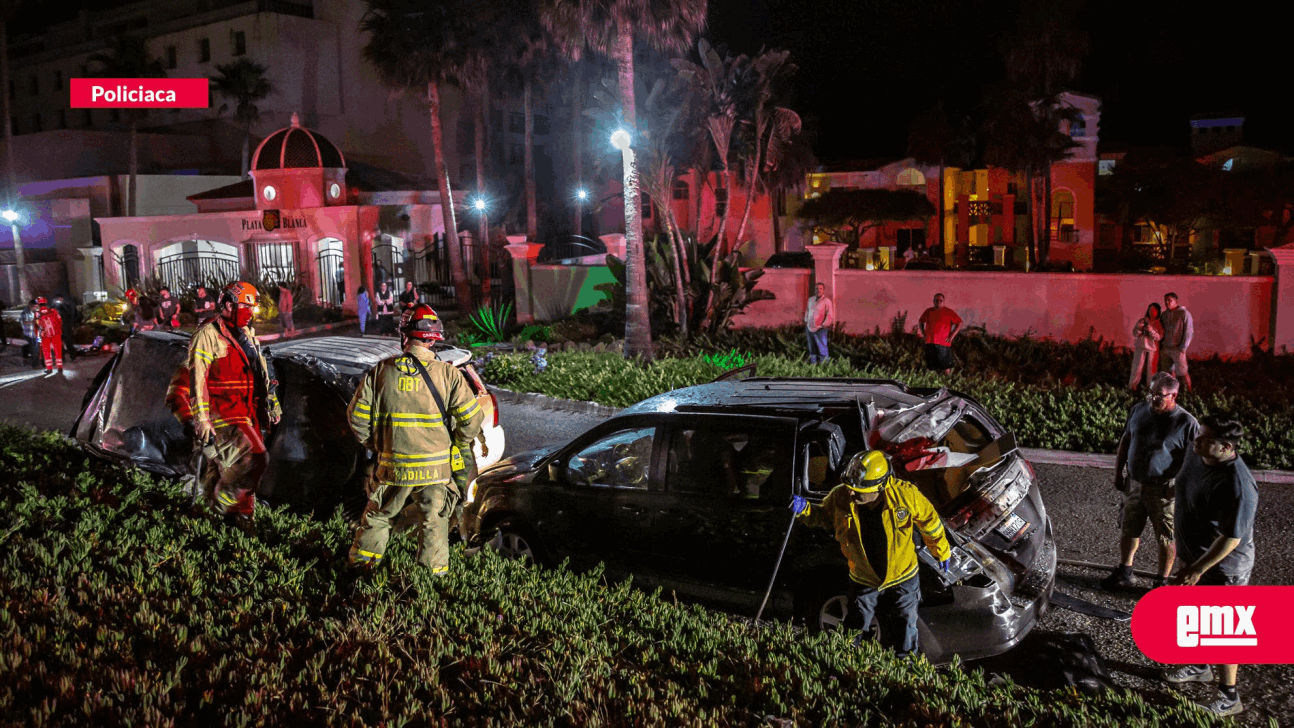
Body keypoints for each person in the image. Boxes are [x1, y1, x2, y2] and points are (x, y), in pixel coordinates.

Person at [346, 303, 484, 574]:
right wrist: (456, 442)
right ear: (434, 340)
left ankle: (360, 574)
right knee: (434, 523)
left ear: (404, 335)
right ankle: (430, 585)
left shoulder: (381, 372)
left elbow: (357, 419)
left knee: (378, 518)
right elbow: (472, 421)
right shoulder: (450, 375)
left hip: (393, 468)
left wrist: (377, 445)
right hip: (436, 470)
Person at [791, 450, 951, 657]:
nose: (852, 494)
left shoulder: (906, 496)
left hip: (903, 574)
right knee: (856, 620)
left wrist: (941, 551)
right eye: (850, 488)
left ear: (880, 487)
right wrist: (805, 510)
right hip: (863, 575)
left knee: (904, 621)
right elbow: (823, 517)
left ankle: (904, 663)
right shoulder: (841, 496)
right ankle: (848, 658)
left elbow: (930, 522)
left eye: (859, 490)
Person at [1160, 413, 1256, 717]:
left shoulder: (1238, 485)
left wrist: (1197, 568)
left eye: (1204, 439)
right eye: (1197, 435)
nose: (1195, 441)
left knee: (1225, 630)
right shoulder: (1198, 453)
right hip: (1195, 558)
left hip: (1223, 568)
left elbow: (1231, 539)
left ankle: (1229, 697)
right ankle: (1201, 666)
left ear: (1226, 447)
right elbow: (1186, 481)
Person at [187, 281, 282, 532]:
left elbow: (260, 373)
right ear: (228, 305)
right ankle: (221, 506)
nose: (250, 314)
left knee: (222, 469)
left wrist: (272, 406)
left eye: (252, 309)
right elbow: (197, 379)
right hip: (223, 413)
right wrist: (202, 419)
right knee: (256, 459)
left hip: (248, 411)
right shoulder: (207, 334)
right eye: (246, 308)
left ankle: (237, 520)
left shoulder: (247, 334)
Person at [1101, 372, 1199, 590]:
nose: (1153, 399)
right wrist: (1118, 472)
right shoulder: (1139, 410)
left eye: (1159, 396)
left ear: (1173, 396)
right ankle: (1125, 571)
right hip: (1134, 484)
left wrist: (1177, 488)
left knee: (1166, 536)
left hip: (1164, 489)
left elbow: (1193, 462)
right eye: (1151, 394)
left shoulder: (1186, 423)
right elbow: (1126, 440)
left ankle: (1161, 581)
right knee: (1129, 528)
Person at [918, 293, 962, 376]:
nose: (938, 302)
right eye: (936, 300)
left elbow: (959, 323)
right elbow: (921, 322)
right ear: (933, 301)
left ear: (944, 302)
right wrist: (924, 334)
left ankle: (947, 382)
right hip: (930, 342)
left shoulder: (949, 312)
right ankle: (933, 383)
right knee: (931, 366)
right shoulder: (928, 311)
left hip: (943, 343)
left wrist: (951, 336)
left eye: (940, 301)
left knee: (946, 366)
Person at [1158, 292, 1194, 391]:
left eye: (1169, 300)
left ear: (1176, 301)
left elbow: (1189, 331)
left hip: (1177, 348)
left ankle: (1190, 392)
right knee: (1169, 372)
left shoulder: (1184, 313)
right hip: (1166, 348)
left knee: (1182, 372)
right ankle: (1172, 391)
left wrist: (1183, 348)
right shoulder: (1164, 315)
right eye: (1165, 300)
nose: (1166, 302)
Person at [1129, 302, 1163, 391]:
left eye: (1154, 310)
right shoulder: (1143, 320)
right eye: (1150, 309)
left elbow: (1159, 337)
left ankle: (1151, 389)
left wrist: (1151, 330)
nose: (1152, 311)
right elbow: (1135, 333)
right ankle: (1132, 387)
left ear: (1158, 311)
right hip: (1141, 346)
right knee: (1137, 368)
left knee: (1151, 370)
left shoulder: (1159, 323)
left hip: (1152, 349)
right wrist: (1139, 328)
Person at [804, 282, 834, 364]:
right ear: (815, 290)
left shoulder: (826, 301)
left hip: (820, 329)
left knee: (822, 349)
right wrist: (806, 321)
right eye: (817, 288)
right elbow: (807, 311)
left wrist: (824, 325)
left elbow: (829, 314)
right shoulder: (810, 300)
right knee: (812, 349)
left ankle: (824, 368)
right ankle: (813, 367)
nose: (818, 290)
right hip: (809, 329)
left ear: (823, 290)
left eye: (820, 288)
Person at [35, 297, 63, 375]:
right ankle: (60, 367)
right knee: (58, 350)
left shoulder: (38, 313)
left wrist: (37, 335)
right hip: (56, 333)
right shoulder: (53, 311)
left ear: (38, 304)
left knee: (46, 351)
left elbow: (37, 324)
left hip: (45, 335)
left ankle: (49, 368)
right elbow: (60, 320)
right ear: (46, 303)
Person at [53, 295, 78, 362]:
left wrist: (72, 325)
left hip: (66, 326)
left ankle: (72, 357)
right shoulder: (54, 307)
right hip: (58, 327)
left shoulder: (66, 306)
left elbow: (71, 314)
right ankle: (62, 358)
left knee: (69, 342)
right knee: (59, 343)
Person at [20, 299, 42, 370]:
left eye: (36, 306)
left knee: (36, 348)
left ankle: (25, 353)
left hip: (35, 333)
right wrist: (34, 321)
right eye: (35, 306)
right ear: (30, 306)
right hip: (29, 334)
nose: (35, 308)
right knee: (34, 350)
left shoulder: (34, 312)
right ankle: (35, 365)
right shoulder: (25, 313)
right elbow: (25, 322)